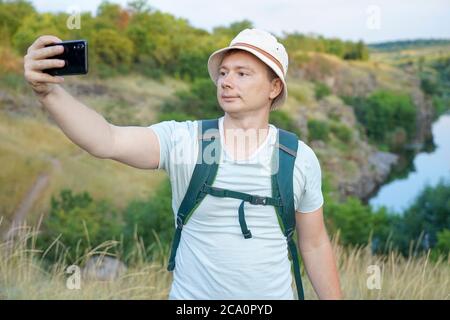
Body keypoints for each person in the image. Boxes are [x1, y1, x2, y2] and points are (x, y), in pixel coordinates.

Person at [24, 28, 342, 300]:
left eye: (242, 73)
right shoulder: (185, 140)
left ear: (274, 88)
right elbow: (107, 140)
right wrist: (48, 92)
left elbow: (313, 244)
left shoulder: (298, 157)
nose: (227, 82)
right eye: (223, 72)